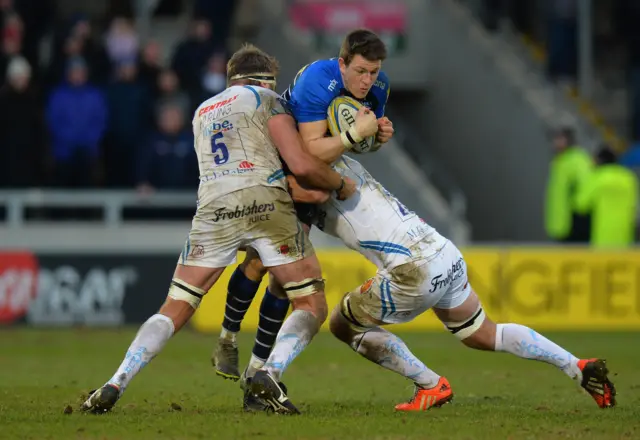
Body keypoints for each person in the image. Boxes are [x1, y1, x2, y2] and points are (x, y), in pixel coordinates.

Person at [214, 32, 617, 413]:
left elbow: (313, 183)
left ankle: (412, 382)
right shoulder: (341, 158)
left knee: (340, 322)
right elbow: (322, 151)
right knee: (483, 333)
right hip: (444, 253)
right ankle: (576, 366)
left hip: (412, 269)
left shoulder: (315, 172)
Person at [81, 43, 356, 414]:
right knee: (310, 302)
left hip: (212, 208)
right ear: (267, 78)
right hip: (264, 199)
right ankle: (267, 373)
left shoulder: (201, 111)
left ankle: (117, 380)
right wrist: (337, 182)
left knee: (175, 306)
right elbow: (298, 162)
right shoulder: (269, 99)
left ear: (231, 78)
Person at [211, 29, 389, 411]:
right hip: (281, 166)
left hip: (314, 181)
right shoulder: (315, 82)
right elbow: (307, 153)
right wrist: (355, 136)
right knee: (260, 262)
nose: (367, 81)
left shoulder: (379, 86)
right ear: (342, 63)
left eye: (373, 72)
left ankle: (257, 376)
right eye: (360, 71)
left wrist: (377, 137)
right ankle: (227, 337)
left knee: (281, 279)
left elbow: (356, 140)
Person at [576, 146, 639, 247]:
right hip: (625, 233)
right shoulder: (629, 177)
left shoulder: (597, 177)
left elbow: (581, 204)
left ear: (599, 160)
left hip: (602, 234)